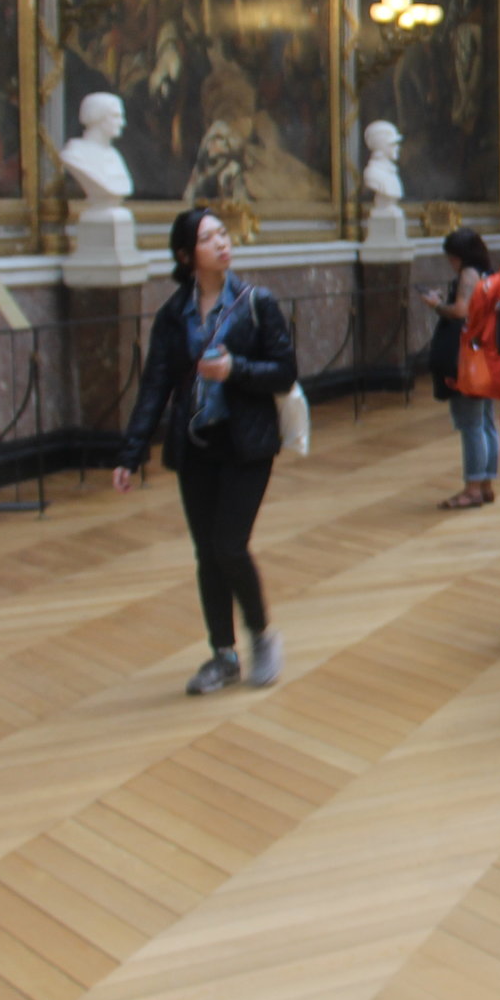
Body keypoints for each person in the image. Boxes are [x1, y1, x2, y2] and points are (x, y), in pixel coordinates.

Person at [115, 208, 297, 695]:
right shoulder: (174, 316)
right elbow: (155, 387)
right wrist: (131, 453)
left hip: (247, 444)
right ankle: (222, 654)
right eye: (207, 237)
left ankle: (262, 636)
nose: (221, 242)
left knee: (229, 545)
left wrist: (235, 369)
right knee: (206, 555)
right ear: (185, 254)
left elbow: (284, 372)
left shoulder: (257, 302)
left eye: (222, 233)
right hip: (196, 447)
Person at [423, 227, 498, 510]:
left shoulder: (468, 274)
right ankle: (486, 483)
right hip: (485, 353)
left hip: (468, 358)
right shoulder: (488, 273)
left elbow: (461, 311)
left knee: (471, 424)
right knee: (486, 421)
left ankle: (473, 487)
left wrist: (436, 304)